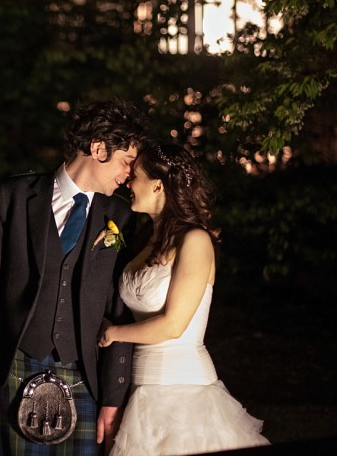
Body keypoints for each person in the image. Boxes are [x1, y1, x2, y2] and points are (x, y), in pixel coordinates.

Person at [0, 98, 153, 455]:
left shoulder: (121, 214)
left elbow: (121, 308)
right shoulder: (15, 197)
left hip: (83, 374)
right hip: (13, 367)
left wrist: (113, 398)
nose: (130, 174)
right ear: (98, 148)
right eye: (126, 161)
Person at [98, 142, 271, 456]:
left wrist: (113, 333)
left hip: (184, 392)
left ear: (158, 185)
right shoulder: (144, 241)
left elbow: (174, 325)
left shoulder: (195, 240)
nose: (127, 182)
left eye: (134, 175)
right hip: (142, 389)